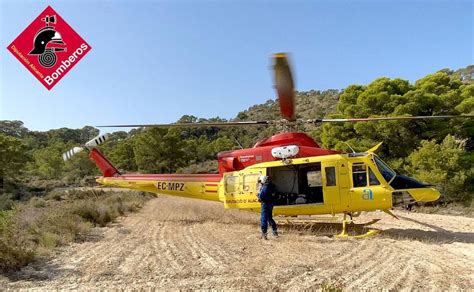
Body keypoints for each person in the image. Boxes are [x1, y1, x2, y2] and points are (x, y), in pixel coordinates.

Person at [257, 175, 278, 240]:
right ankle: (275, 231)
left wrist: (258, 195)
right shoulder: (272, 186)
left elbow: (261, 196)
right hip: (270, 204)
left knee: (264, 219)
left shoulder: (265, 187)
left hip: (265, 204)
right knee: (270, 218)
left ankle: (264, 234)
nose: (260, 183)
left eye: (261, 181)